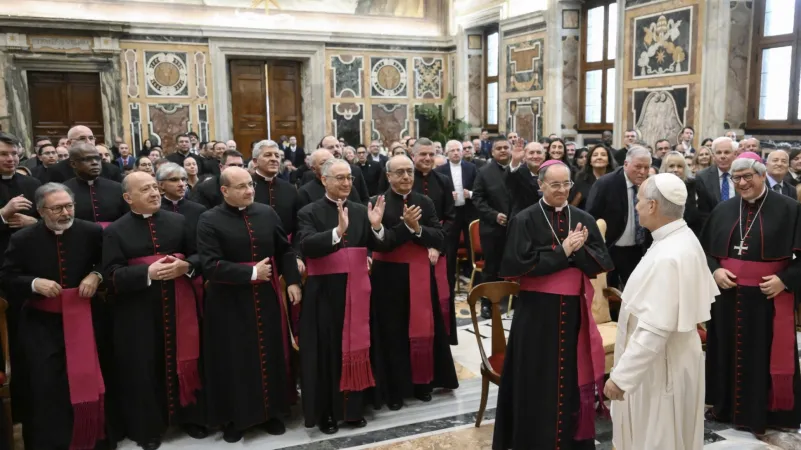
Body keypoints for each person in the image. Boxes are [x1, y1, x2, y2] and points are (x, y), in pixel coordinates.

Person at [493, 160, 612, 450]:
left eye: (566, 184)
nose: (562, 190)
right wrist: (563, 252)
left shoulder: (582, 217)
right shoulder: (524, 219)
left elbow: (602, 262)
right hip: (535, 314)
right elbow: (517, 266)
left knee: (571, 375)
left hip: (573, 314)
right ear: (541, 185)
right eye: (555, 184)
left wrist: (577, 251)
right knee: (534, 377)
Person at [606, 173, 716, 450]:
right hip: (673, 359)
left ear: (653, 206)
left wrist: (621, 378)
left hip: (659, 367)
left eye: (640, 200)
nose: (637, 206)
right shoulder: (681, 237)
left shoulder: (670, 254)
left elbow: (654, 329)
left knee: (658, 438)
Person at [0, 183, 110, 450]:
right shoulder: (23, 239)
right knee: (47, 385)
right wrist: (35, 283)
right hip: (43, 325)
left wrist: (96, 275)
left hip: (87, 319)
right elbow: (7, 276)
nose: (65, 213)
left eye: (69, 206)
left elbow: (108, 262)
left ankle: (93, 438)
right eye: (57, 208)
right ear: (40, 210)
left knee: (92, 378)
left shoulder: (91, 231)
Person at [102, 172, 207, 449]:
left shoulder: (179, 221)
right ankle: (148, 428)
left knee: (184, 359)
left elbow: (200, 255)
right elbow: (110, 275)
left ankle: (190, 417)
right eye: (145, 189)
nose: (154, 193)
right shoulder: (115, 230)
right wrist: (146, 272)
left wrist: (187, 266)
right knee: (143, 367)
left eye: (154, 187)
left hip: (178, 304)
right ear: (128, 198)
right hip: (138, 312)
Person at [196, 166, 301, 443]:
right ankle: (236, 419)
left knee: (270, 353)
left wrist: (291, 281)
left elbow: (284, 249)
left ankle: (273, 413)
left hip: (266, 298)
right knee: (235, 359)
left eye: (250, 185)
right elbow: (209, 265)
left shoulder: (267, 213)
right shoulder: (208, 220)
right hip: (229, 302)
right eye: (241, 186)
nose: (249, 191)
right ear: (225, 191)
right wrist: (252, 273)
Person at [702, 152, 801, 436]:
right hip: (728, 297)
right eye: (737, 178)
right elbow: (704, 252)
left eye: (748, 176)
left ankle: (763, 413)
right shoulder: (723, 209)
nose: (742, 183)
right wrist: (715, 271)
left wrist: (785, 279)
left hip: (767, 299)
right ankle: (725, 408)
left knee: (763, 356)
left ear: (761, 175)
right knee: (725, 352)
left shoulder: (790, 208)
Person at [295, 158, 391, 434]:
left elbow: (376, 245)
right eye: (339, 178)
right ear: (324, 180)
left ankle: (353, 409)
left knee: (358, 347)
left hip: (359, 291)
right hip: (325, 293)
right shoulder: (309, 212)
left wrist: (375, 227)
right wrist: (337, 232)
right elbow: (307, 246)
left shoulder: (362, 210)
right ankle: (328, 412)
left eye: (349, 177)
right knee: (329, 352)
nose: (347, 183)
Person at [370, 155, 458, 410]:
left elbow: (439, 237)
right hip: (388, 277)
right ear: (388, 176)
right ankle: (396, 389)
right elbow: (380, 243)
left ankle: (421, 384)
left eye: (409, 172)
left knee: (423, 330)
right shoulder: (376, 203)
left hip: (419, 274)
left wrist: (417, 229)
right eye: (399, 172)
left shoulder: (424, 201)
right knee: (393, 333)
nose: (406, 177)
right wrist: (406, 229)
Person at [587, 146, 652, 289]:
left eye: (646, 168)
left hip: (637, 250)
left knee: (636, 293)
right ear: (626, 164)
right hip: (610, 250)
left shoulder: (650, 186)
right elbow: (591, 217)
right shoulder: (606, 184)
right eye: (638, 167)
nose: (642, 172)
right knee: (608, 294)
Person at [435, 140, 476, 340]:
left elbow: (479, 190)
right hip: (451, 214)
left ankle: (472, 279)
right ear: (446, 152)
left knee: (472, 248)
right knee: (449, 251)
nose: (456, 153)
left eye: (459, 150)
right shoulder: (440, 169)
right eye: (452, 150)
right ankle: (449, 282)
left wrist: (472, 194)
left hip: (468, 212)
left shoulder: (472, 168)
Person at [472, 137, 512, 319]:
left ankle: (515, 300)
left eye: (506, 147)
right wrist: (494, 215)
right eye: (499, 148)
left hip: (516, 228)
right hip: (492, 228)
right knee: (491, 268)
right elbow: (478, 199)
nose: (503, 150)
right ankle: (487, 303)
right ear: (492, 152)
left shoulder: (519, 170)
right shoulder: (484, 172)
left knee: (517, 264)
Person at [63, 141, 128, 226]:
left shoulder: (118, 188)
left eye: (97, 158)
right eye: (87, 159)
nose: (94, 163)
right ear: (73, 164)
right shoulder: (64, 190)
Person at [251, 140, 301, 238]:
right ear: (255, 161)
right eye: (268, 155)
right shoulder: (245, 186)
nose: (274, 159)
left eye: (277, 156)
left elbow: (297, 223)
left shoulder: (290, 188)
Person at [46, 127, 123, 183]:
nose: (89, 142)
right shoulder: (56, 170)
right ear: (69, 143)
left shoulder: (112, 170)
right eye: (82, 138)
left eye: (91, 138)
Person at [659, 151, 702, 235]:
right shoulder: (657, 186)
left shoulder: (692, 185)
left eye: (679, 166)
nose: (675, 170)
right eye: (671, 166)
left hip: (689, 234)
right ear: (665, 168)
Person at [158, 163, 206, 238]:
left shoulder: (198, 210)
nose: (181, 184)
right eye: (174, 180)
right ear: (161, 185)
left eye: (183, 179)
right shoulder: (155, 209)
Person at [696, 137, 736, 224]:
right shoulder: (703, 177)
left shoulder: (742, 174)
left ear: (734, 154)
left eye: (727, 152)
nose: (722, 156)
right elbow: (703, 212)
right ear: (713, 156)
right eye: (718, 153)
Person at [318, 136, 370, 203]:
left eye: (338, 146)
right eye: (331, 147)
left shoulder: (355, 170)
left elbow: (365, 198)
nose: (336, 149)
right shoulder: (317, 172)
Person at [506, 141, 546, 218]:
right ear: (524, 157)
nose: (535, 156)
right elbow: (509, 177)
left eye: (539, 152)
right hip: (522, 220)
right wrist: (515, 161)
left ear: (544, 155)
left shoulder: (549, 172)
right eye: (531, 153)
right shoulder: (517, 172)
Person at [571, 144, 615, 210]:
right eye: (595, 155)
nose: (599, 157)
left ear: (608, 161)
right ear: (590, 161)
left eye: (603, 155)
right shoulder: (581, 180)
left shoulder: (615, 180)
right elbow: (573, 207)